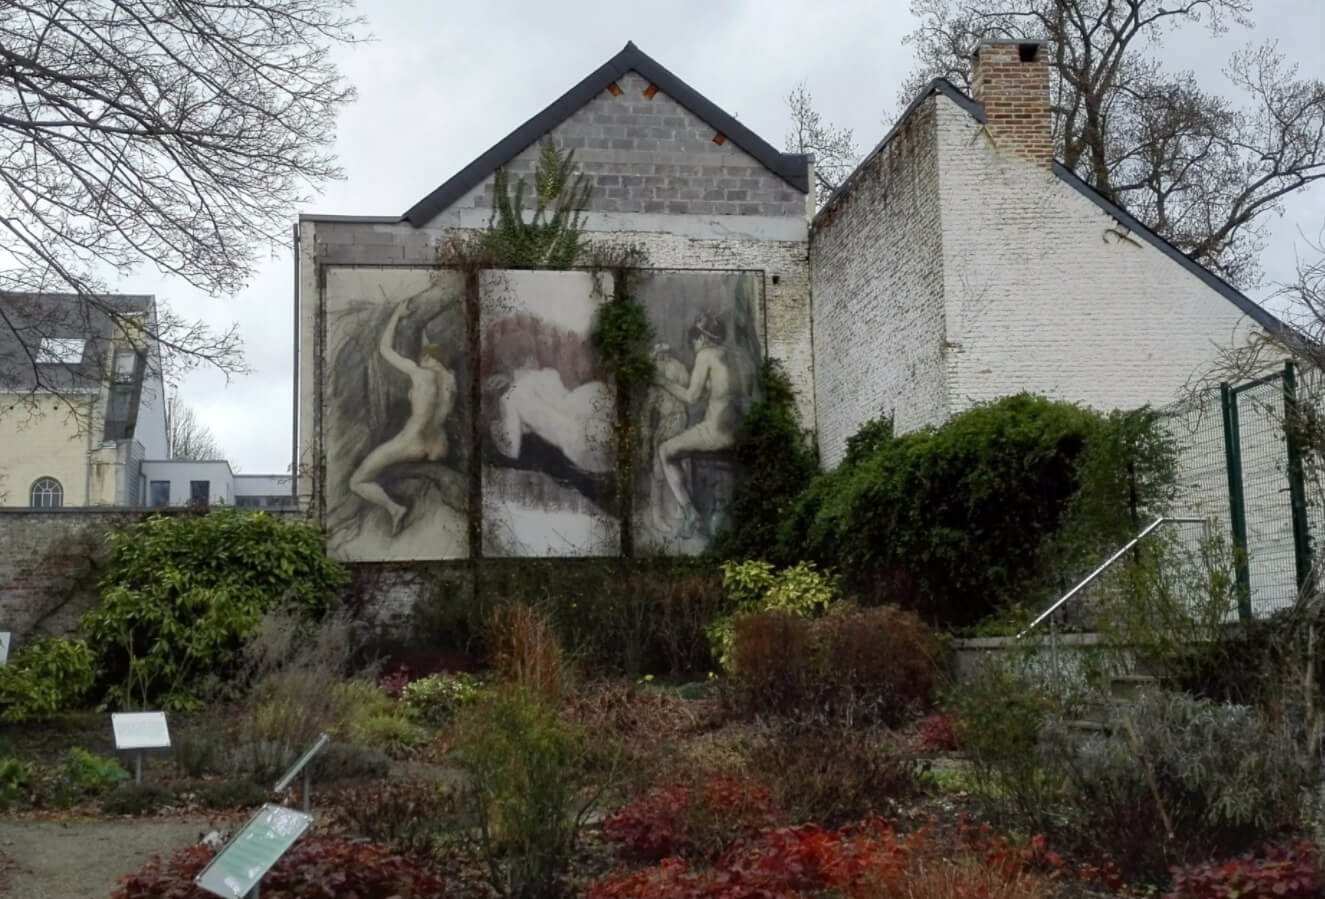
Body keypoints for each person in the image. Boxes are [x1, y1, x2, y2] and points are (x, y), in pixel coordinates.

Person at [349, 299, 456, 535]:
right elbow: (430, 353)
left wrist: (396, 315)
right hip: (439, 445)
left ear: (426, 359)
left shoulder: (418, 374)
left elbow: (384, 349)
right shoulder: (451, 379)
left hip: (413, 441)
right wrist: (424, 337)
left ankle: (394, 508)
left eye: (422, 357)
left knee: (357, 482)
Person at [656, 312, 756, 537]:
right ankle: (718, 506)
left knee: (665, 451)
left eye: (695, 341)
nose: (694, 346)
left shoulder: (705, 355)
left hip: (717, 433)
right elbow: (736, 393)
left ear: (702, 338)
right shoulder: (738, 357)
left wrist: (663, 382)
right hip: (740, 431)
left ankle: (690, 513)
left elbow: (691, 397)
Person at [486, 333, 613, 475]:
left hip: (584, 452)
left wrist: (496, 428)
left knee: (518, 402)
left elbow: (511, 450)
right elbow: (560, 405)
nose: (576, 364)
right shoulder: (556, 377)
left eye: (581, 358)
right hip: (590, 446)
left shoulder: (510, 397)